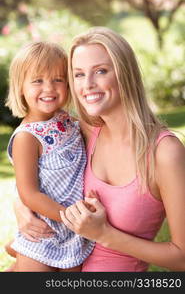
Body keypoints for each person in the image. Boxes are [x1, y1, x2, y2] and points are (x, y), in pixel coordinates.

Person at [7, 27, 185, 272]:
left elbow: (182, 257)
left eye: (100, 71)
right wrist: (22, 206)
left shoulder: (164, 152)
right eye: (78, 74)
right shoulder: (83, 133)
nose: (87, 85)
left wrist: (104, 234)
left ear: (126, 74)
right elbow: (41, 170)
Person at [4, 41, 94, 272]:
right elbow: (29, 193)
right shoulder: (27, 138)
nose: (49, 88)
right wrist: (70, 217)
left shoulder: (68, 121)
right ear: (20, 87)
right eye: (37, 80)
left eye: (58, 79)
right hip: (44, 234)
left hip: (75, 236)